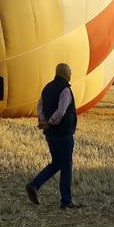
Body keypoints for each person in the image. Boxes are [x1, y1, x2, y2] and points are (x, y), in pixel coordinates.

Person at [26, 63, 79, 209]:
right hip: (63, 133)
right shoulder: (65, 90)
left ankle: (34, 184)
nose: (71, 75)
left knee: (56, 163)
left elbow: (40, 106)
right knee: (66, 165)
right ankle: (66, 200)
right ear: (66, 74)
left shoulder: (47, 88)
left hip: (51, 134)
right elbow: (61, 111)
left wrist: (43, 121)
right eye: (70, 72)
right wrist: (50, 123)